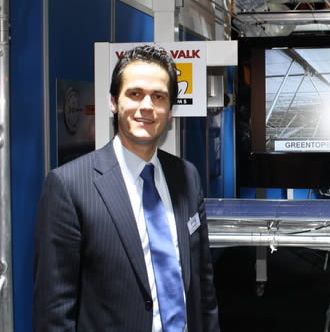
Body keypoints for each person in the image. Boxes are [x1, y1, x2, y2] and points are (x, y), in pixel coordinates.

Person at [33, 45, 220, 331]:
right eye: (135, 94)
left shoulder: (187, 176)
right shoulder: (69, 187)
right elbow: (54, 310)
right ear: (113, 102)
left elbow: (203, 286)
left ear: (170, 110)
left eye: (158, 96)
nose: (146, 106)